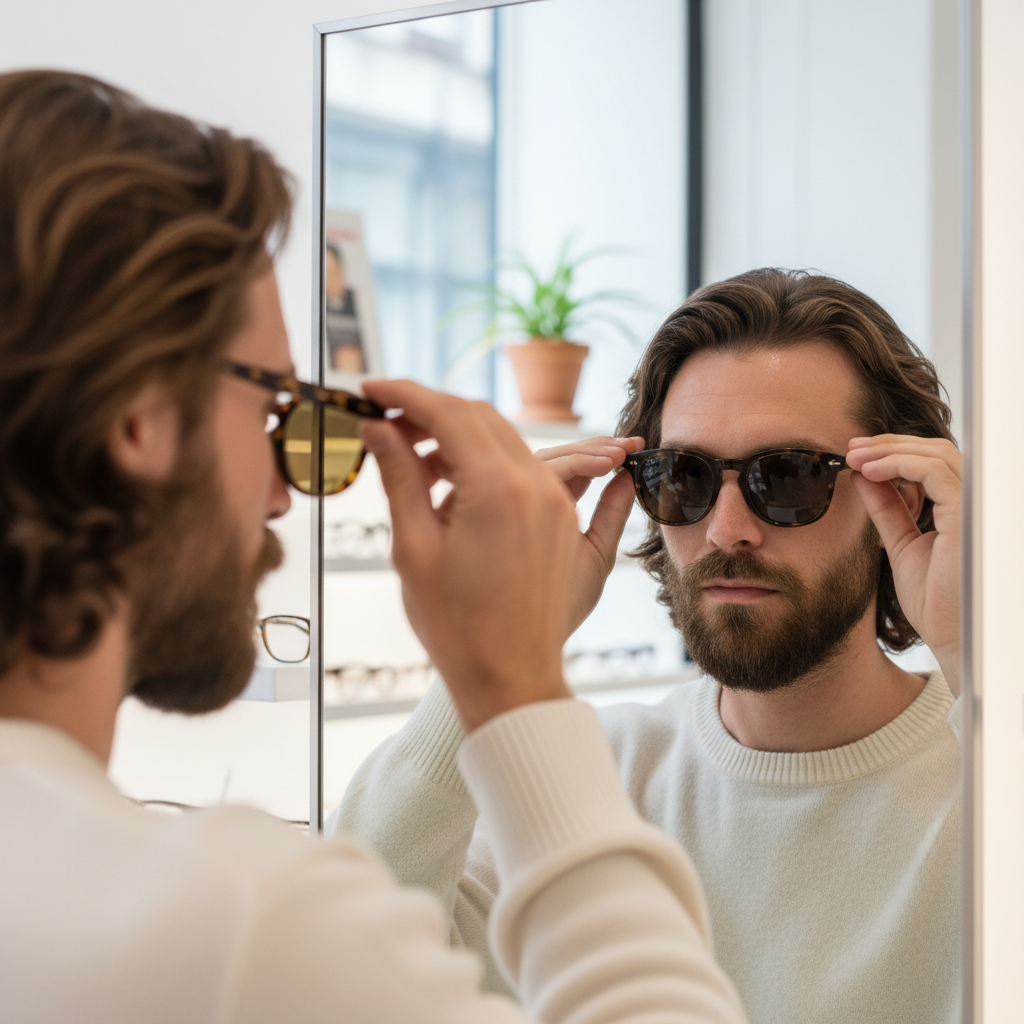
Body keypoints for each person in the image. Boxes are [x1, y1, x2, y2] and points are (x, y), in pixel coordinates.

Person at [0, 70, 748, 1024]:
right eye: (278, 407)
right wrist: (510, 683)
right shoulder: (227, 922)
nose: (284, 492)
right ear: (137, 418)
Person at [333, 268, 962, 1024]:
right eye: (685, 477)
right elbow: (347, 962)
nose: (726, 530)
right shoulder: (587, 776)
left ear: (902, 498)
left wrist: (974, 653)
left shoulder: (982, 781)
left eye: (787, 477)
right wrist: (488, 651)